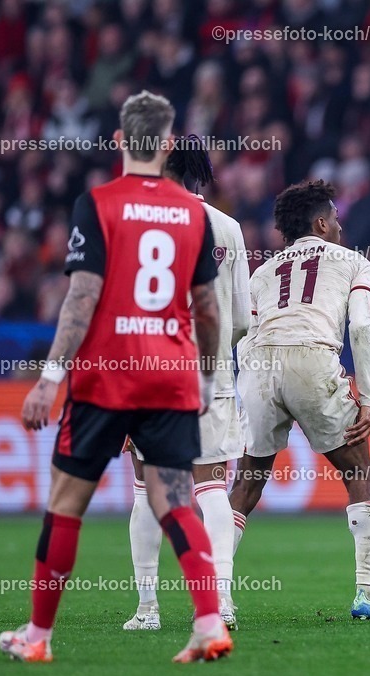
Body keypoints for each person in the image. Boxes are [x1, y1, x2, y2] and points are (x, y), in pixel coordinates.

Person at [1, 91, 233, 663]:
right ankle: (208, 624)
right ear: (171, 144)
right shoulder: (192, 214)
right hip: (170, 377)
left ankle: (38, 637)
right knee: (177, 501)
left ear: (121, 141)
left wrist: (49, 378)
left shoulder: (97, 204)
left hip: (107, 377)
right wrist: (203, 382)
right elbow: (208, 309)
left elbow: (82, 296)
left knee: (65, 503)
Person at [228, 180, 370, 620]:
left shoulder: (262, 273)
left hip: (259, 366)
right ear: (321, 223)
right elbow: (361, 329)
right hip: (312, 357)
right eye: (336, 219)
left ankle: (217, 598)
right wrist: (367, 399)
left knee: (247, 484)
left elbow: (242, 338)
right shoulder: (352, 261)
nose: (341, 226)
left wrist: (246, 390)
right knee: (359, 470)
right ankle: (366, 593)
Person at [123, 135, 250, 632]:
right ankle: (220, 604)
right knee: (211, 489)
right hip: (209, 375)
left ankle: (147, 609)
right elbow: (241, 315)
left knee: (145, 492)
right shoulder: (228, 228)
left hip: (148, 375)